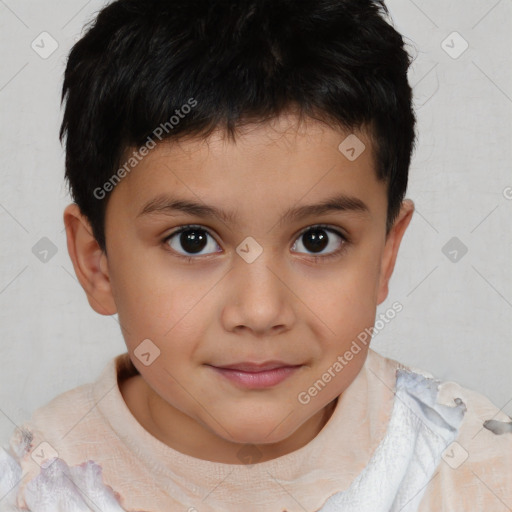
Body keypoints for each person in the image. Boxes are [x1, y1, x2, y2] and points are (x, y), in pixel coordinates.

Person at [1, 0, 510, 510]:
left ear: (385, 255)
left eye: (318, 239)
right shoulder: (37, 486)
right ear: (98, 263)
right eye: (193, 240)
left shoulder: (471, 468)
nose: (261, 311)